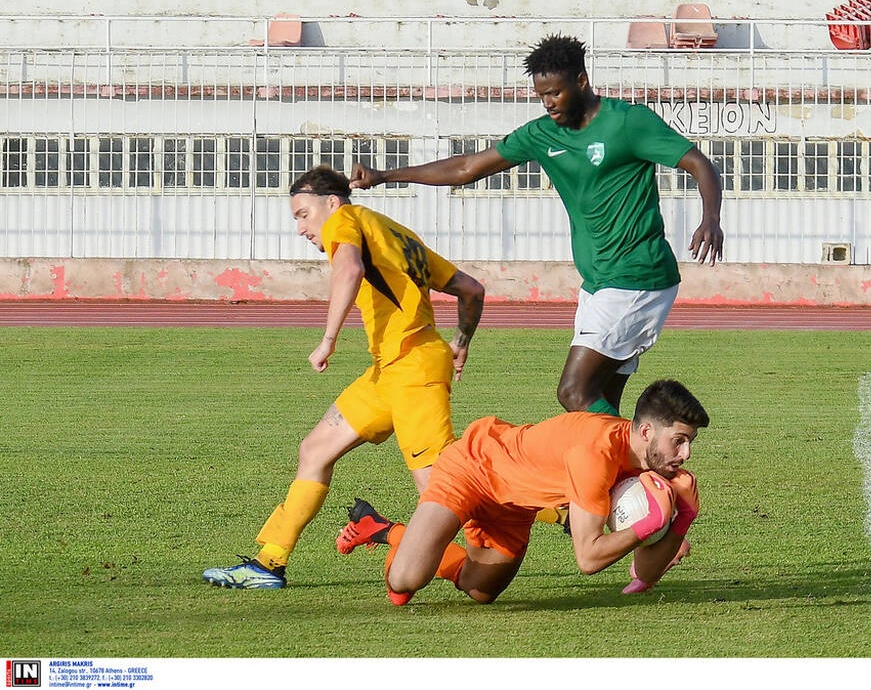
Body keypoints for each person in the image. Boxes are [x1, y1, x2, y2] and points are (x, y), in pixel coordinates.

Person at [350, 34, 724, 419]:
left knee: (573, 391)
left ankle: (649, 451)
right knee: (597, 406)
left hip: (637, 278)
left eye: (555, 93)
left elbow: (699, 163)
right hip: (598, 283)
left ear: (581, 81)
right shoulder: (542, 134)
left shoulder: (627, 122)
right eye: (541, 95)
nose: (548, 102)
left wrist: (710, 219)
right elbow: (466, 168)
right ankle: (623, 474)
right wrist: (384, 175)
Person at [202, 164, 485, 589]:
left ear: (331, 203)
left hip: (413, 370)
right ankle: (268, 563)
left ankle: (550, 510)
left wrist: (328, 339)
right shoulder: (394, 231)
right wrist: (461, 339)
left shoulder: (345, 221)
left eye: (303, 215)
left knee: (441, 490)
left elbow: (349, 270)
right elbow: (472, 289)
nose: (301, 228)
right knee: (315, 449)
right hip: (390, 371)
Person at [335, 379, 708, 605]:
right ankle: (387, 532)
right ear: (645, 433)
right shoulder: (594, 455)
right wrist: (648, 526)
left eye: (688, 443)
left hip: (513, 506)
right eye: (678, 441)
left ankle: (386, 529)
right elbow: (588, 559)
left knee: (479, 591)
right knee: (406, 581)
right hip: (473, 466)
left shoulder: (650, 465)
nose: (685, 454)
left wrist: (682, 520)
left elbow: (641, 575)